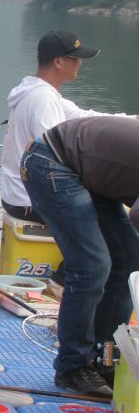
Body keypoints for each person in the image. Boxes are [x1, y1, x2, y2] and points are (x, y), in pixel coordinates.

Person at [21, 116, 139, 397]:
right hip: (52, 161)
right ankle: (72, 368)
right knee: (92, 266)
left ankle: (103, 357)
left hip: (86, 171)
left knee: (130, 256)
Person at [1, 30, 130, 222]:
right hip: (29, 201)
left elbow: (84, 117)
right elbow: (54, 154)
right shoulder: (43, 99)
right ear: (58, 62)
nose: (80, 63)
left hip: (19, 196)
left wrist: (132, 120)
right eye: (76, 58)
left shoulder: (40, 92)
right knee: (114, 210)